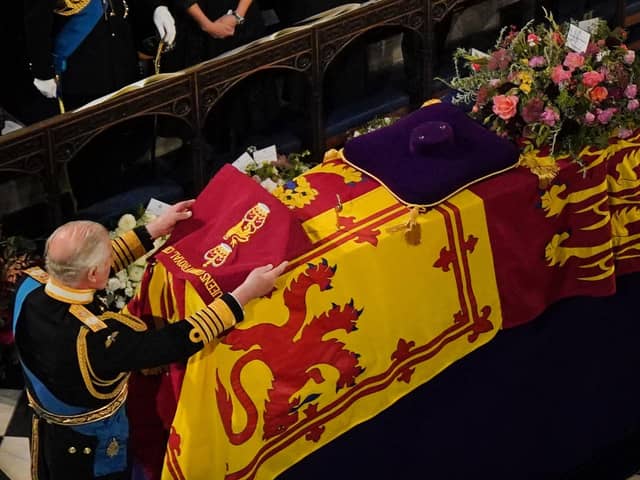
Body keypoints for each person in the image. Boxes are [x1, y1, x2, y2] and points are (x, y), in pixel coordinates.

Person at [13, 199, 287, 480]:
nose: (110, 262)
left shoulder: (31, 283)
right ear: (95, 273)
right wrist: (242, 296)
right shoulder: (96, 340)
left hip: (48, 426)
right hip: (88, 447)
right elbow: (171, 342)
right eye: (106, 261)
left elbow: (83, 270)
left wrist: (154, 230)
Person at [24, 0, 177, 115]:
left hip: (123, 62)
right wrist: (42, 71)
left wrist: (157, 7)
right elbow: (37, 19)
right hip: (82, 71)